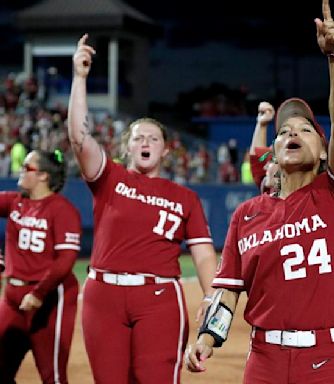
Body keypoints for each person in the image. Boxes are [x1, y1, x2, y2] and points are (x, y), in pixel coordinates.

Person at [185, 1, 334, 382]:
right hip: (264, 356)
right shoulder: (248, 214)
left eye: (304, 129)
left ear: (323, 150)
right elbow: (229, 287)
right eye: (284, 132)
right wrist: (207, 336)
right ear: (275, 152)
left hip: (324, 356)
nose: (290, 134)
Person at [68, 34, 218, 383]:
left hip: (159, 298)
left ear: (166, 150)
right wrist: (79, 76)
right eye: (138, 137)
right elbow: (78, 137)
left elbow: (205, 256)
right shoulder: (109, 177)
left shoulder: (185, 197)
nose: (146, 142)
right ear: (127, 148)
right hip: (102, 297)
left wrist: (213, 302)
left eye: (154, 138)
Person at [0, 149, 81, 383]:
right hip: (13, 298)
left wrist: (39, 293)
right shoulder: (16, 202)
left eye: (27, 167)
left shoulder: (62, 210)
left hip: (48, 299)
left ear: (43, 175)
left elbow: (66, 259)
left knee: (51, 375)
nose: (21, 171)